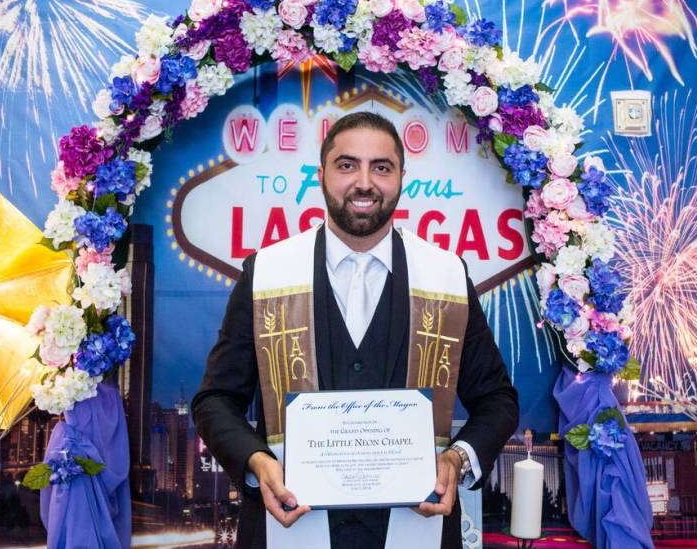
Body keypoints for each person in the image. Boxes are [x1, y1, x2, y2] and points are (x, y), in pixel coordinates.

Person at [192, 111, 518, 549]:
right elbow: (215, 400)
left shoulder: (445, 275)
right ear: (322, 173)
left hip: (416, 527)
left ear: (402, 176)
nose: (364, 183)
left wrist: (456, 458)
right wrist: (257, 462)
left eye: (380, 167)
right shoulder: (266, 273)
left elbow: (497, 399)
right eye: (347, 165)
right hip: (286, 525)